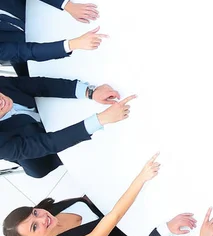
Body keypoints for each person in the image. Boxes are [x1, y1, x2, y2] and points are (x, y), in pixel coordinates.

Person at [2, 154, 159, 236]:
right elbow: (114, 217)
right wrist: (141, 178)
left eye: (34, 213)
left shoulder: (48, 211)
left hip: (119, 207)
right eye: (34, 227)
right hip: (129, 234)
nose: (43, 218)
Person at [0, 75, 135, 178]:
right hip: (37, 152)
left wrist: (90, 92)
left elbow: (38, 85)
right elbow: (47, 144)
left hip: (48, 112)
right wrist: (101, 119)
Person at [0, 0, 103, 76]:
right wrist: (73, 44)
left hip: (39, 10)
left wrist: (68, 5)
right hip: (29, 50)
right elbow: (29, 52)